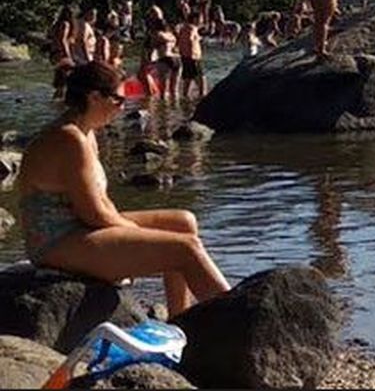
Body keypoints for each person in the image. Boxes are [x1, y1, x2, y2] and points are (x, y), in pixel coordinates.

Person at [15, 62, 231, 316]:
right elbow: (93, 214)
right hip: (56, 242)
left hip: (78, 227)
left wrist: (139, 236)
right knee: (185, 248)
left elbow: (102, 203)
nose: (123, 107)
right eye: (118, 99)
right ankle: (236, 319)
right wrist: (139, 233)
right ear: (94, 97)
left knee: (183, 222)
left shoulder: (86, 132)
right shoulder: (68, 139)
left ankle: (180, 320)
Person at [175, 11, 207, 98]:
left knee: (187, 80)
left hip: (185, 57)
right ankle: (203, 98)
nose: (202, 20)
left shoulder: (185, 28)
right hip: (192, 57)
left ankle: (185, 101)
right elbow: (189, 39)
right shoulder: (192, 28)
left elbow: (180, 41)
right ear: (195, 19)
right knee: (201, 79)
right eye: (200, 18)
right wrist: (193, 53)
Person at [48, 5, 74, 99]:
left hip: (54, 53)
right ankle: (59, 101)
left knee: (60, 81)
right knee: (64, 80)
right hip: (60, 53)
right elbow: (63, 40)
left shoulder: (57, 24)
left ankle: (56, 100)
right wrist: (68, 55)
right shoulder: (65, 24)